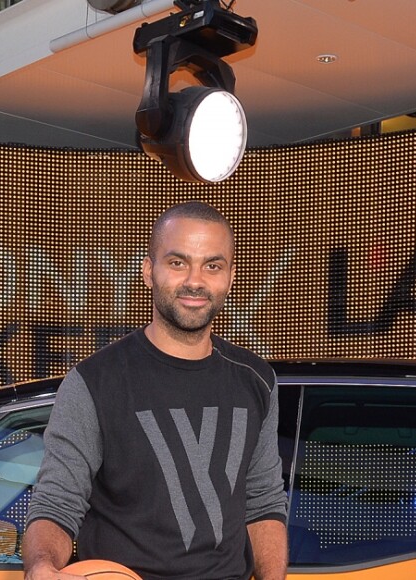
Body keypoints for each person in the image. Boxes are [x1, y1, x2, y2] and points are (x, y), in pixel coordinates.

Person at [23, 201, 288, 580]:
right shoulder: (94, 382)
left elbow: (263, 504)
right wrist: (42, 567)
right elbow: (57, 503)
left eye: (212, 266)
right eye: (178, 262)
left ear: (230, 278)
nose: (195, 281)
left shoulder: (257, 380)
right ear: (149, 271)